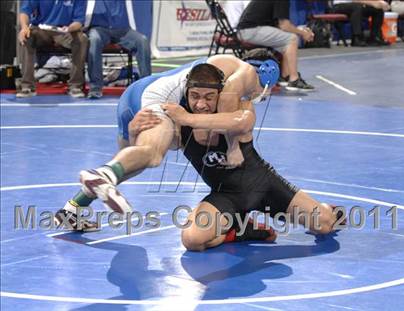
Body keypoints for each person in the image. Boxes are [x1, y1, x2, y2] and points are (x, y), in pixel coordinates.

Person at [54, 52, 281, 230]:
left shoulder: (221, 68)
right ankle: (102, 174)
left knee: (128, 166)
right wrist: (233, 147)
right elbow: (211, 130)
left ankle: (71, 210)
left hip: (136, 94)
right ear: (266, 81)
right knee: (151, 154)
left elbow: (182, 138)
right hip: (155, 99)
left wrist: (135, 132)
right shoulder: (246, 74)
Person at [135, 65, 342, 251]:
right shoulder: (179, 122)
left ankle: (325, 209)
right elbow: (153, 151)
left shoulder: (240, 108)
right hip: (227, 197)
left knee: (324, 224)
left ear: (220, 96)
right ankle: (241, 230)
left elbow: (242, 123)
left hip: (264, 186)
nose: (200, 104)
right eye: (195, 96)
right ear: (186, 94)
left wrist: (189, 118)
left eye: (209, 97)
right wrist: (134, 129)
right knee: (192, 240)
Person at [236, 0, 315, 92]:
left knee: (287, 39)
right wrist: (302, 33)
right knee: (292, 39)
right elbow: (284, 26)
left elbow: (281, 26)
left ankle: (285, 76)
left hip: (248, 29)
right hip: (249, 31)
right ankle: (294, 80)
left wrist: (300, 30)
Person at [17, 0, 88, 98]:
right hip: (41, 30)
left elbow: (78, 22)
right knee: (27, 36)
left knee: (81, 39)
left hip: (65, 31)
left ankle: (75, 85)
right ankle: (27, 86)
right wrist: (24, 27)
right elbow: (25, 11)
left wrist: (68, 29)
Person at [85, 0, 151, 99]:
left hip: (123, 30)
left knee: (142, 41)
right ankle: (95, 88)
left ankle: (146, 86)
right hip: (99, 28)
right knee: (94, 40)